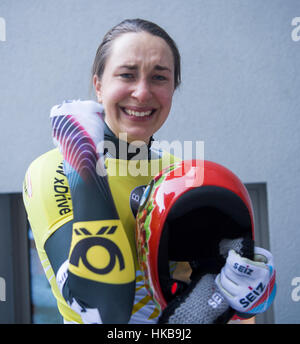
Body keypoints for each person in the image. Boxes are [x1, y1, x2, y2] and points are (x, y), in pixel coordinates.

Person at [23, 18, 275, 324]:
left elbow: (202, 289)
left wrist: (244, 298)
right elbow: (103, 311)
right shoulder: (55, 168)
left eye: (159, 78)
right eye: (127, 74)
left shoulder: (180, 172)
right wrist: (85, 164)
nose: (142, 93)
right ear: (99, 86)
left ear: (173, 88)